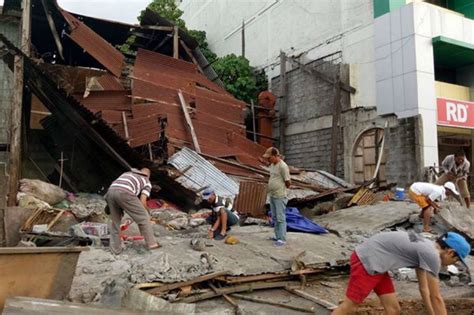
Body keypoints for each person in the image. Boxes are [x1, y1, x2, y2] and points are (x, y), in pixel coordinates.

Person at [332, 231, 471, 315]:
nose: (454, 264)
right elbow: (436, 298)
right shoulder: (432, 256)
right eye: (456, 260)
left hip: (379, 262)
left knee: (393, 310)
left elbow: (424, 289)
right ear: (450, 252)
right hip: (368, 261)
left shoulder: (426, 247)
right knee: (350, 305)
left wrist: (431, 313)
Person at [105, 168, 160, 254]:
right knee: (144, 217)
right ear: (148, 176)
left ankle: (115, 250)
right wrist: (147, 211)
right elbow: (142, 200)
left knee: (115, 222)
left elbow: (114, 186)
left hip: (110, 192)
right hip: (125, 193)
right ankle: (152, 244)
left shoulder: (126, 173)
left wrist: (110, 204)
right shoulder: (146, 181)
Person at [263, 147, 291, 247]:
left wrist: (281, 188)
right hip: (273, 195)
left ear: (275, 156)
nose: (268, 159)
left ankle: (282, 239)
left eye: (269, 157)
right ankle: (278, 236)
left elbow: (288, 182)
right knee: (275, 217)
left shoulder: (283, 166)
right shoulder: (272, 165)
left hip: (279, 195)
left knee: (280, 218)